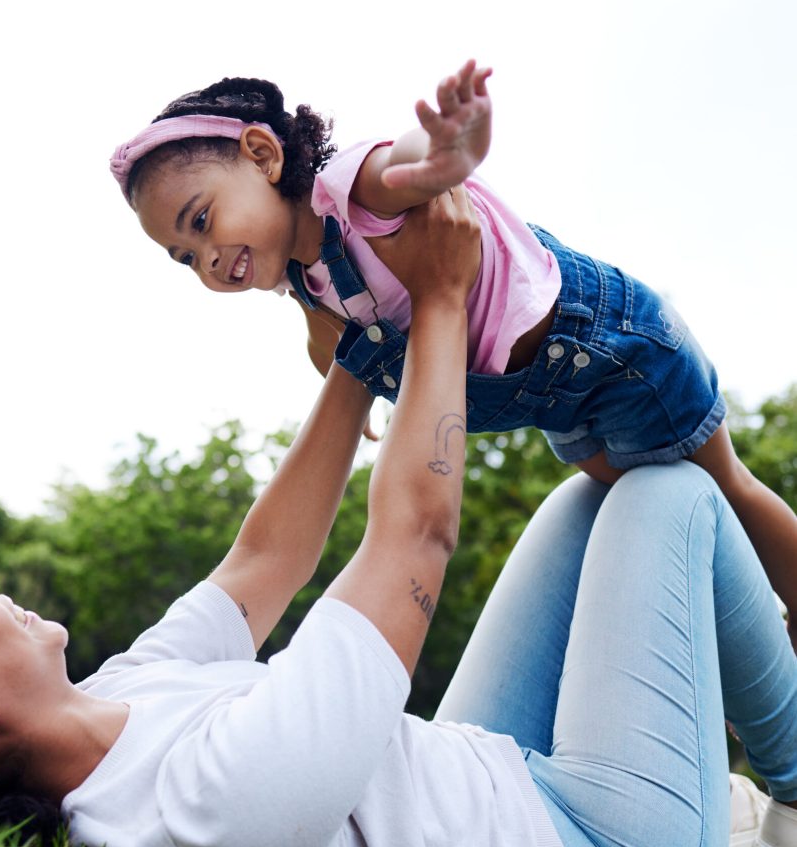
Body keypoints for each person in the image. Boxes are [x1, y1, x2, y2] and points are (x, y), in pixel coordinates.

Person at [0, 194, 795, 847]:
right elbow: (414, 539)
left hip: (476, 794)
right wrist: (442, 297)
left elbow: (262, 566)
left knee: (578, 504)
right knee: (667, 493)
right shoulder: (195, 811)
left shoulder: (121, 691)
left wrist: (363, 350)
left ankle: (699, 783)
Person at [109, 61, 797, 646]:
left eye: (201, 221)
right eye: (185, 256)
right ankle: (742, 616)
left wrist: (447, 149)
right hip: (552, 402)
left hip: (612, 347)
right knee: (645, 504)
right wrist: (369, 398)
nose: (207, 258)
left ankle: (789, 610)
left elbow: (402, 169)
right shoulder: (303, 278)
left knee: (724, 486)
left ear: (263, 156)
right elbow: (329, 337)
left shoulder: (347, 190)